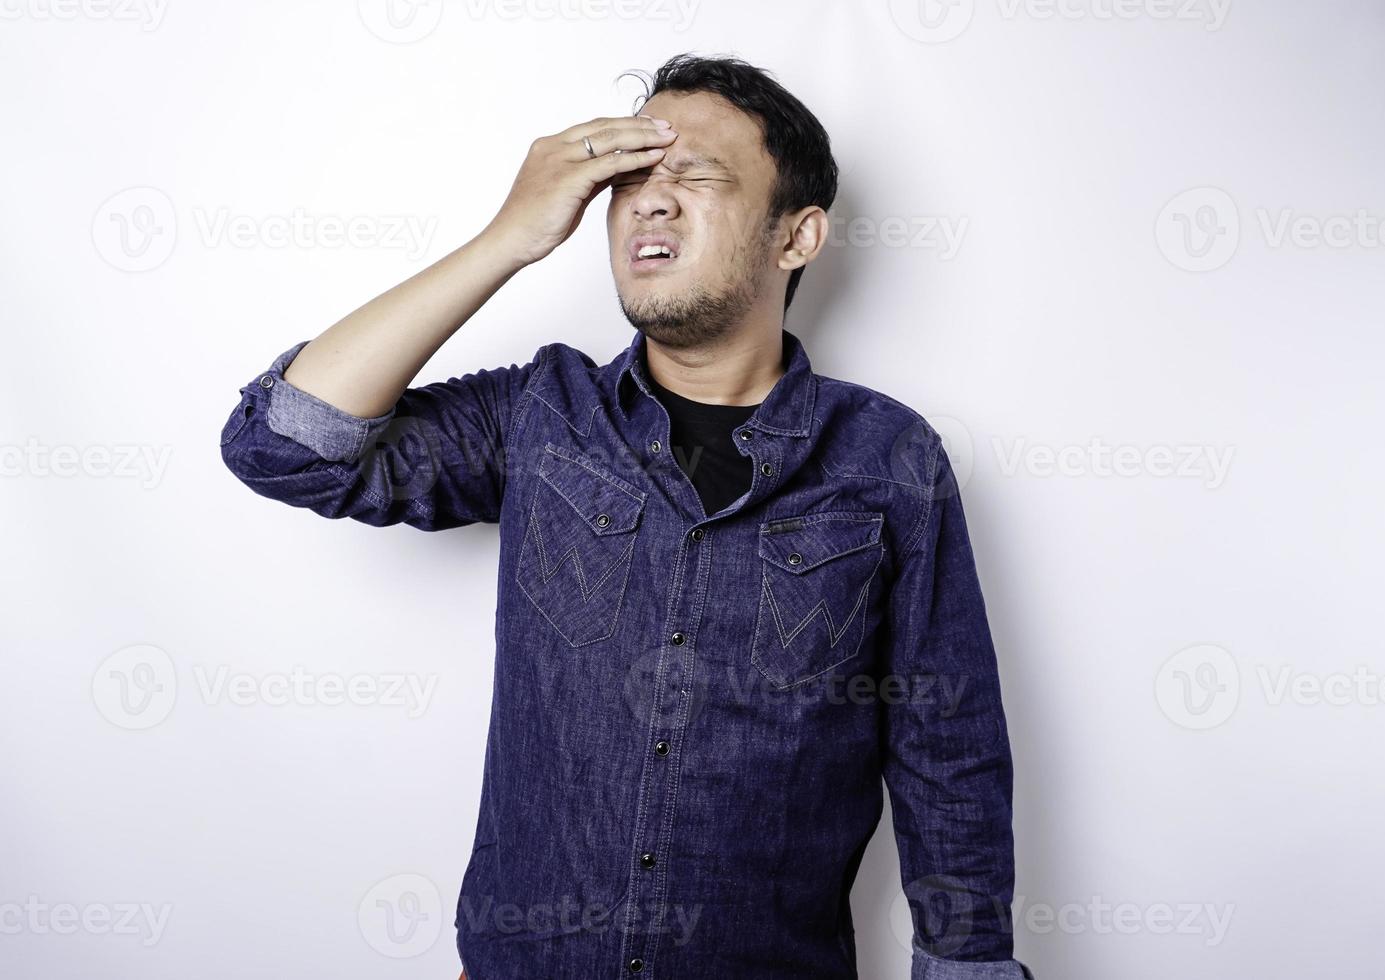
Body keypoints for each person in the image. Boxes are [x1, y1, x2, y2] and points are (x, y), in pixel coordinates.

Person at [219, 52, 1033, 980]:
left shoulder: (887, 455)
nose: (649, 201)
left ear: (796, 237)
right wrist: (508, 237)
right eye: (630, 180)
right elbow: (283, 447)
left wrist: (967, 966)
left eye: (694, 177)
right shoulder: (538, 415)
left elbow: (947, 745)